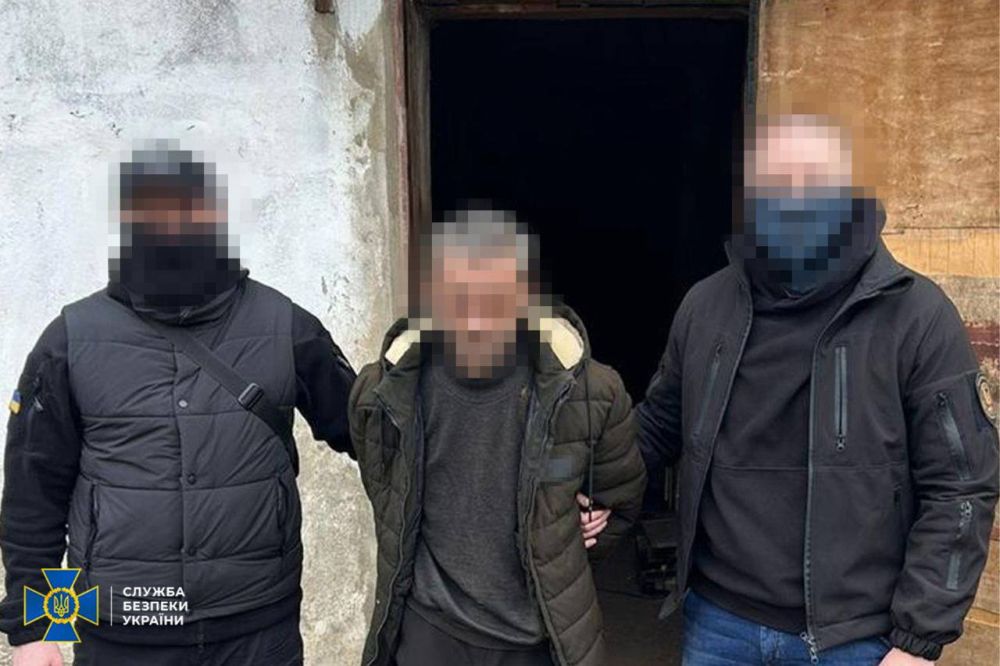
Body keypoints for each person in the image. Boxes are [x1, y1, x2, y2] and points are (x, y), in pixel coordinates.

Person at [637, 114, 999, 665]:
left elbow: (961, 486)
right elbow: (657, 427)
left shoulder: (917, 316)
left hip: (855, 639)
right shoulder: (707, 306)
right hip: (719, 625)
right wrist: (588, 486)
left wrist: (918, 640)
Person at [0, 140, 357, 666]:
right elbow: (35, 492)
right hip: (122, 628)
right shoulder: (71, 339)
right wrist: (35, 629)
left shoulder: (285, 326)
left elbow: (370, 433)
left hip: (257, 625)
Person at [348, 209, 647, 666]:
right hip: (430, 633)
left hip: (535, 640)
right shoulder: (385, 390)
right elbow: (385, 488)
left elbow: (619, 500)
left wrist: (561, 546)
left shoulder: (589, 392)